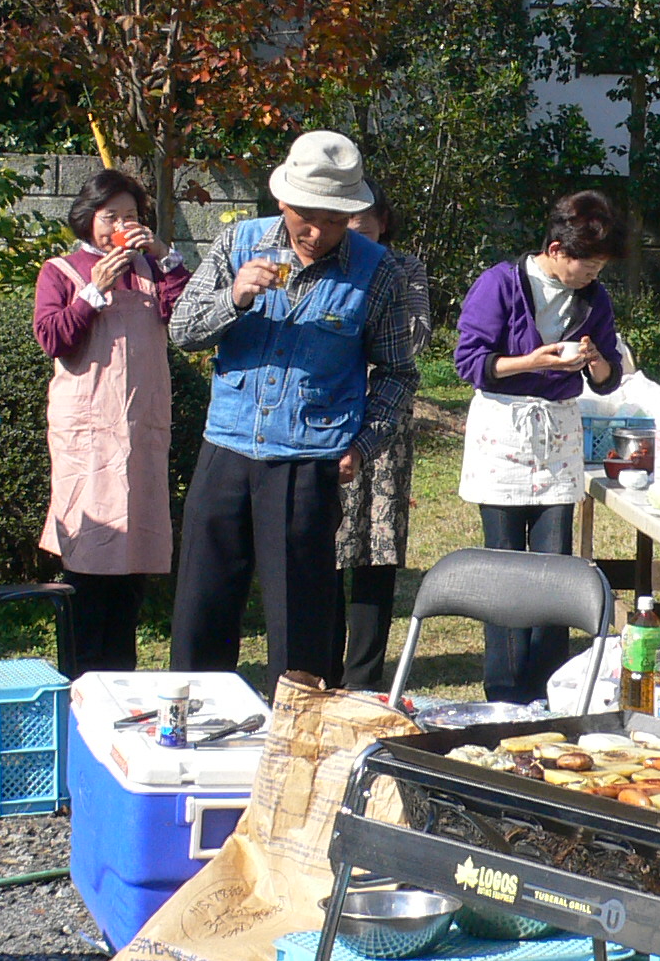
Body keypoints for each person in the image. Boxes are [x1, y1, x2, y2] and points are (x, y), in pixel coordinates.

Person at [168, 131, 416, 691]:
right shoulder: (237, 243)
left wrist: (363, 445)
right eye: (306, 215)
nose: (316, 231)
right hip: (226, 447)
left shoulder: (379, 272)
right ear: (281, 201)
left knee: (298, 626)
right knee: (201, 610)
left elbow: (399, 375)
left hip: (308, 462)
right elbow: (182, 330)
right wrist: (233, 298)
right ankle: (193, 727)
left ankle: (296, 744)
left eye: (333, 220)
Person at [452, 191, 627, 703]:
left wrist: (594, 361)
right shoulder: (500, 284)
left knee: (556, 566)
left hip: (558, 433)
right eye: (587, 265)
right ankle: (505, 691)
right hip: (503, 427)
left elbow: (608, 377)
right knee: (504, 567)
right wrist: (533, 361)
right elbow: (472, 364)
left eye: (600, 267)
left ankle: (552, 691)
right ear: (556, 249)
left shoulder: (593, 299)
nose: (593, 275)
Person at [34, 167, 184, 678]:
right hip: (88, 437)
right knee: (88, 558)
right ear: (87, 218)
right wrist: (92, 292)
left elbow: (187, 316)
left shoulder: (150, 269)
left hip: (140, 433)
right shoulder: (61, 270)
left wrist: (165, 254)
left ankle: (122, 676)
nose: (120, 225)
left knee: (134, 556)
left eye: (131, 216)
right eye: (109, 216)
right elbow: (53, 338)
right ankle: (79, 679)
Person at [335, 193, 432, 695]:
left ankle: (364, 674)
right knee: (326, 542)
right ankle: (321, 665)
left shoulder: (404, 268)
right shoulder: (324, 266)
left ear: (383, 223)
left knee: (378, 547)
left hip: (384, 421)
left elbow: (414, 336)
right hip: (329, 415)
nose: (352, 238)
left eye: (362, 227)